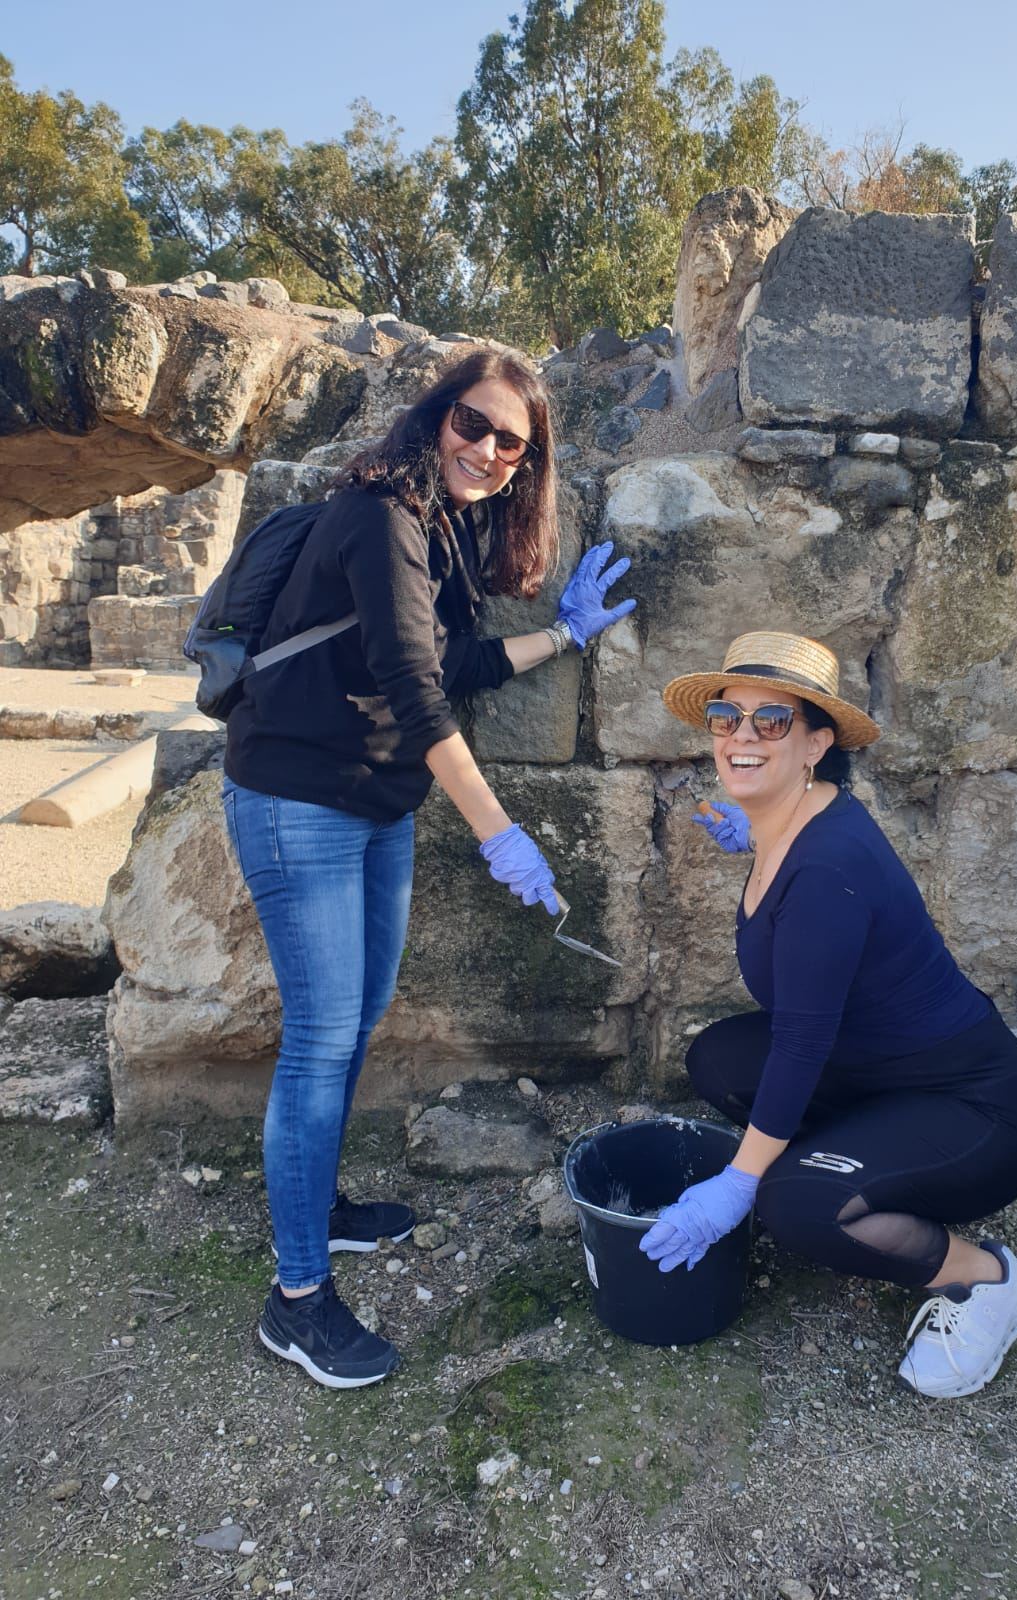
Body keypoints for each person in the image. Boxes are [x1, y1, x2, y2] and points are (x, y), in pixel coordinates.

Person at [221, 348, 636, 1389]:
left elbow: (454, 663)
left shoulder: (450, 528)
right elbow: (418, 693)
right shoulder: (380, 511)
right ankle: (297, 1299)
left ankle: (321, 1209)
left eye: (513, 443)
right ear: (436, 415)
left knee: (356, 1022)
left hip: (377, 803)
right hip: (294, 798)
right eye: (475, 425)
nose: (490, 451)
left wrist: (566, 636)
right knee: (318, 1040)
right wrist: (500, 831)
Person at [642, 631, 1017, 1399]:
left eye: (772, 723)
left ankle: (985, 1279)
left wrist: (740, 1181)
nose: (741, 736)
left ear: (816, 744)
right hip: (885, 1074)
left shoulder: (826, 868)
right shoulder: (798, 818)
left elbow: (801, 1040)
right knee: (719, 1061)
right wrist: (755, 836)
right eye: (728, 717)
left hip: (981, 1111)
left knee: (787, 1202)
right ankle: (847, 1168)